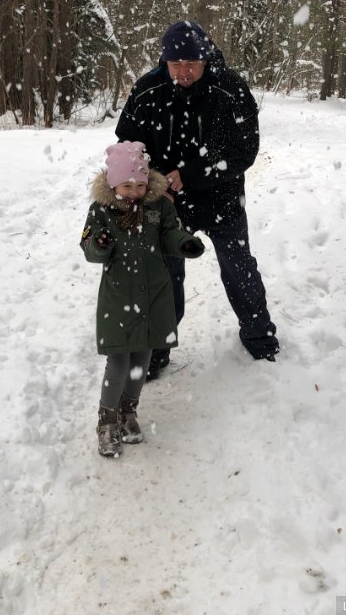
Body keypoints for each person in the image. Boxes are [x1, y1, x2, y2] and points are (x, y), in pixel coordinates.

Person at [115, 20, 279, 380]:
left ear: (206, 59)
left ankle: (260, 338)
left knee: (239, 267)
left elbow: (245, 151)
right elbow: (128, 145)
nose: (184, 72)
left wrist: (189, 174)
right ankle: (157, 348)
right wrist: (155, 183)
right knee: (163, 274)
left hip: (222, 197)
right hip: (167, 201)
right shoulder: (148, 90)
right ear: (165, 61)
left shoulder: (231, 89)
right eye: (176, 65)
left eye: (191, 64)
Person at [81, 140, 205, 457]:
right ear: (113, 183)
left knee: (142, 359)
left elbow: (169, 233)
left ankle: (128, 412)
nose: (135, 191)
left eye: (140, 184)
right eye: (127, 185)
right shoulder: (102, 211)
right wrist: (100, 242)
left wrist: (184, 243)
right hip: (119, 298)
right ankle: (107, 420)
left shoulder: (159, 207)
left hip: (153, 295)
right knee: (119, 361)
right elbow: (91, 250)